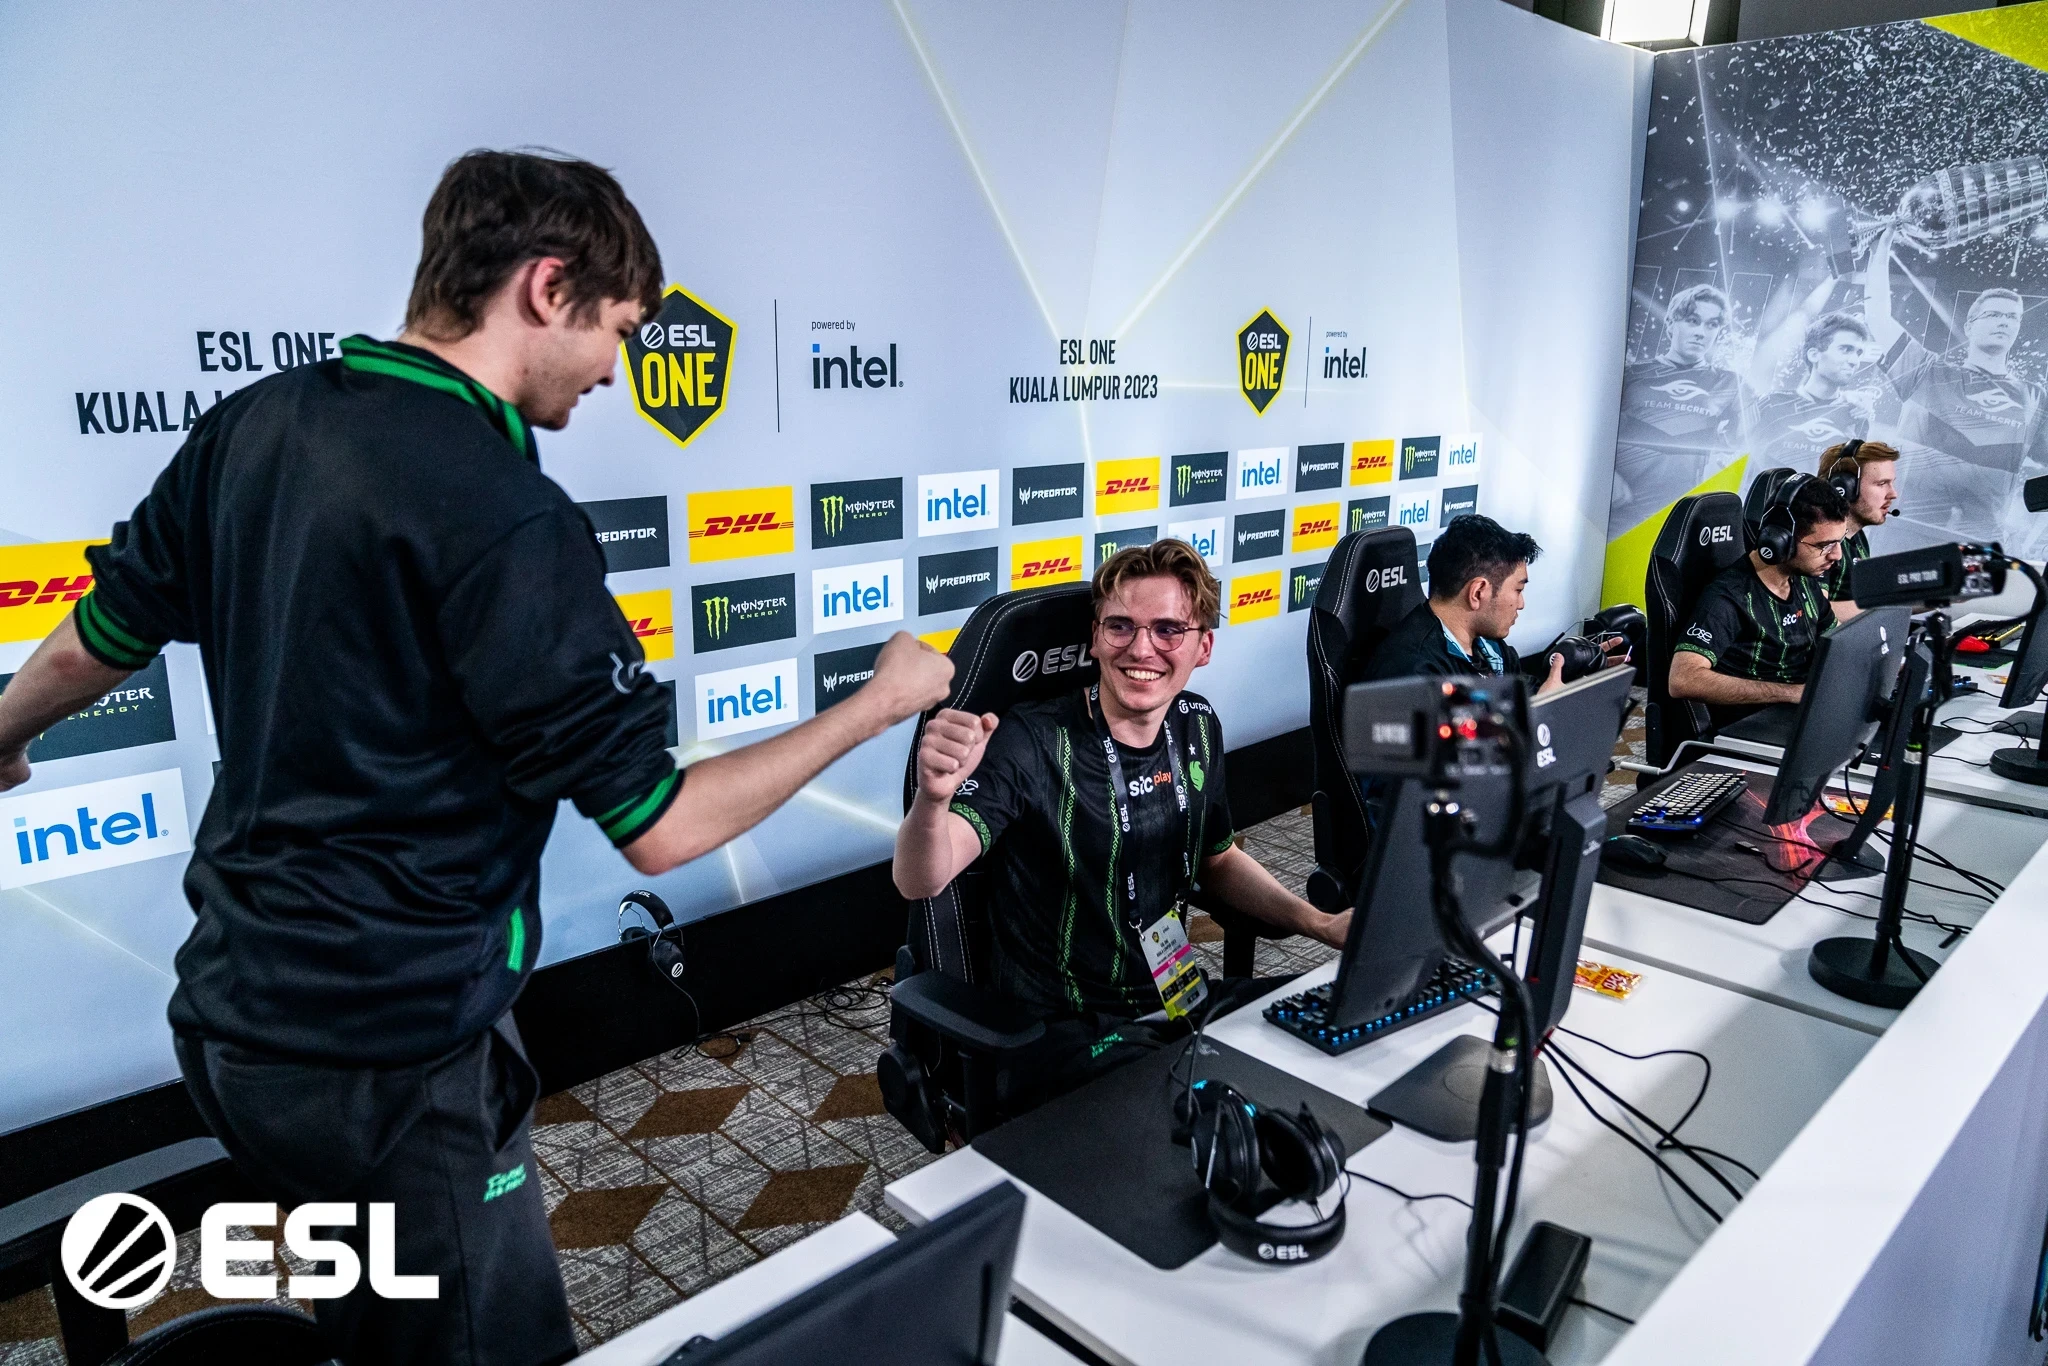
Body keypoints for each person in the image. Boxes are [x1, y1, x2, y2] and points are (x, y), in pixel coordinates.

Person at [0, 151, 952, 1366]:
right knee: (477, 1340)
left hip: (235, 1027)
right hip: (395, 1058)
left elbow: (98, 634)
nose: (615, 369)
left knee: (376, 1295)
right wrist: (876, 704)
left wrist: (1, 734)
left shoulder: (257, 422)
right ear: (547, 287)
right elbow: (660, 824)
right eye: (618, 331)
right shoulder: (509, 515)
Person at [890, 540, 1347, 1116]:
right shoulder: (1031, 741)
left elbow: (1218, 860)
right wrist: (932, 800)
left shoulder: (1197, 727)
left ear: (1203, 646)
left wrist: (1319, 922)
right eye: (1121, 626)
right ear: (1095, 637)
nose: (1141, 648)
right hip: (1065, 1034)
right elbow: (921, 879)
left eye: (1168, 630)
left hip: (1178, 997)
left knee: (1320, 1023)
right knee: (1197, 1121)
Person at [1868, 274, 2044, 545]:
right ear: (1969, 326)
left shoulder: (2034, 398)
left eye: (2013, 317)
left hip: (1979, 541)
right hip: (1906, 529)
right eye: (1994, 314)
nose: (2004, 322)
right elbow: (1878, 316)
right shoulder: (1928, 371)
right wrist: (1879, 252)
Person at [1365, 514, 1626, 691]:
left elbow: (1521, 692)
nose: (1521, 604)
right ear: (1478, 592)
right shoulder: (1413, 671)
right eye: (1518, 590)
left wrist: (1570, 677)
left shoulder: (1489, 646)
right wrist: (1539, 713)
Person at [1669, 478, 1852, 730]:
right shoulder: (1729, 597)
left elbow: (1836, 636)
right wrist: (1792, 693)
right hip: (1752, 729)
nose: (1837, 555)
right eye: (1824, 545)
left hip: (1797, 717)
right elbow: (1683, 680)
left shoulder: (1804, 580)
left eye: (1840, 541)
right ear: (1780, 540)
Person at [1609, 284, 1744, 535]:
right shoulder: (1631, 374)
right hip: (1620, 514)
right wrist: (1607, 474)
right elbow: (1592, 432)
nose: (1701, 332)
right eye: (1693, 321)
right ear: (1671, 323)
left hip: (1683, 520)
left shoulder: (1730, 383)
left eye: (1712, 324)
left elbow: (1747, 446)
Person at [1743, 312, 1875, 478]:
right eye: (1845, 349)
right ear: (1814, 355)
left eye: (1858, 353)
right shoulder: (1770, 403)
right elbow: (1737, 452)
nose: (1854, 361)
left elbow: (1851, 476)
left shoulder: (1856, 415)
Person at [1816, 439, 1901, 622]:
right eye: (1881, 484)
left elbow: (1862, 600)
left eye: (1891, 483)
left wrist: (1936, 596)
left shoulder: (1857, 538)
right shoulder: (1818, 539)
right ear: (1844, 487)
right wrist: (1890, 605)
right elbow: (1815, 611)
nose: (1893, 494)